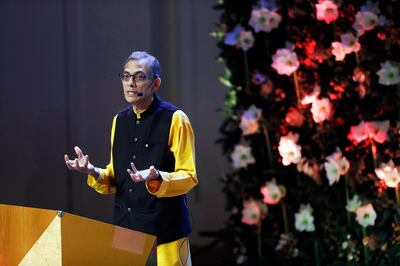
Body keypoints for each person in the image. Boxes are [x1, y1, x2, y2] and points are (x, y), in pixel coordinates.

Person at [64, 51, 198, 265]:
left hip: (164, 231)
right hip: (127, 228)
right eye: (126, 76)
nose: (131, 83)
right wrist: (92, 171)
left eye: (140, 77)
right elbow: (116, 177)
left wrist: (158, 177)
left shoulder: (175, 119)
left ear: (155, 83)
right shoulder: (120, 120)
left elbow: (189, 177)